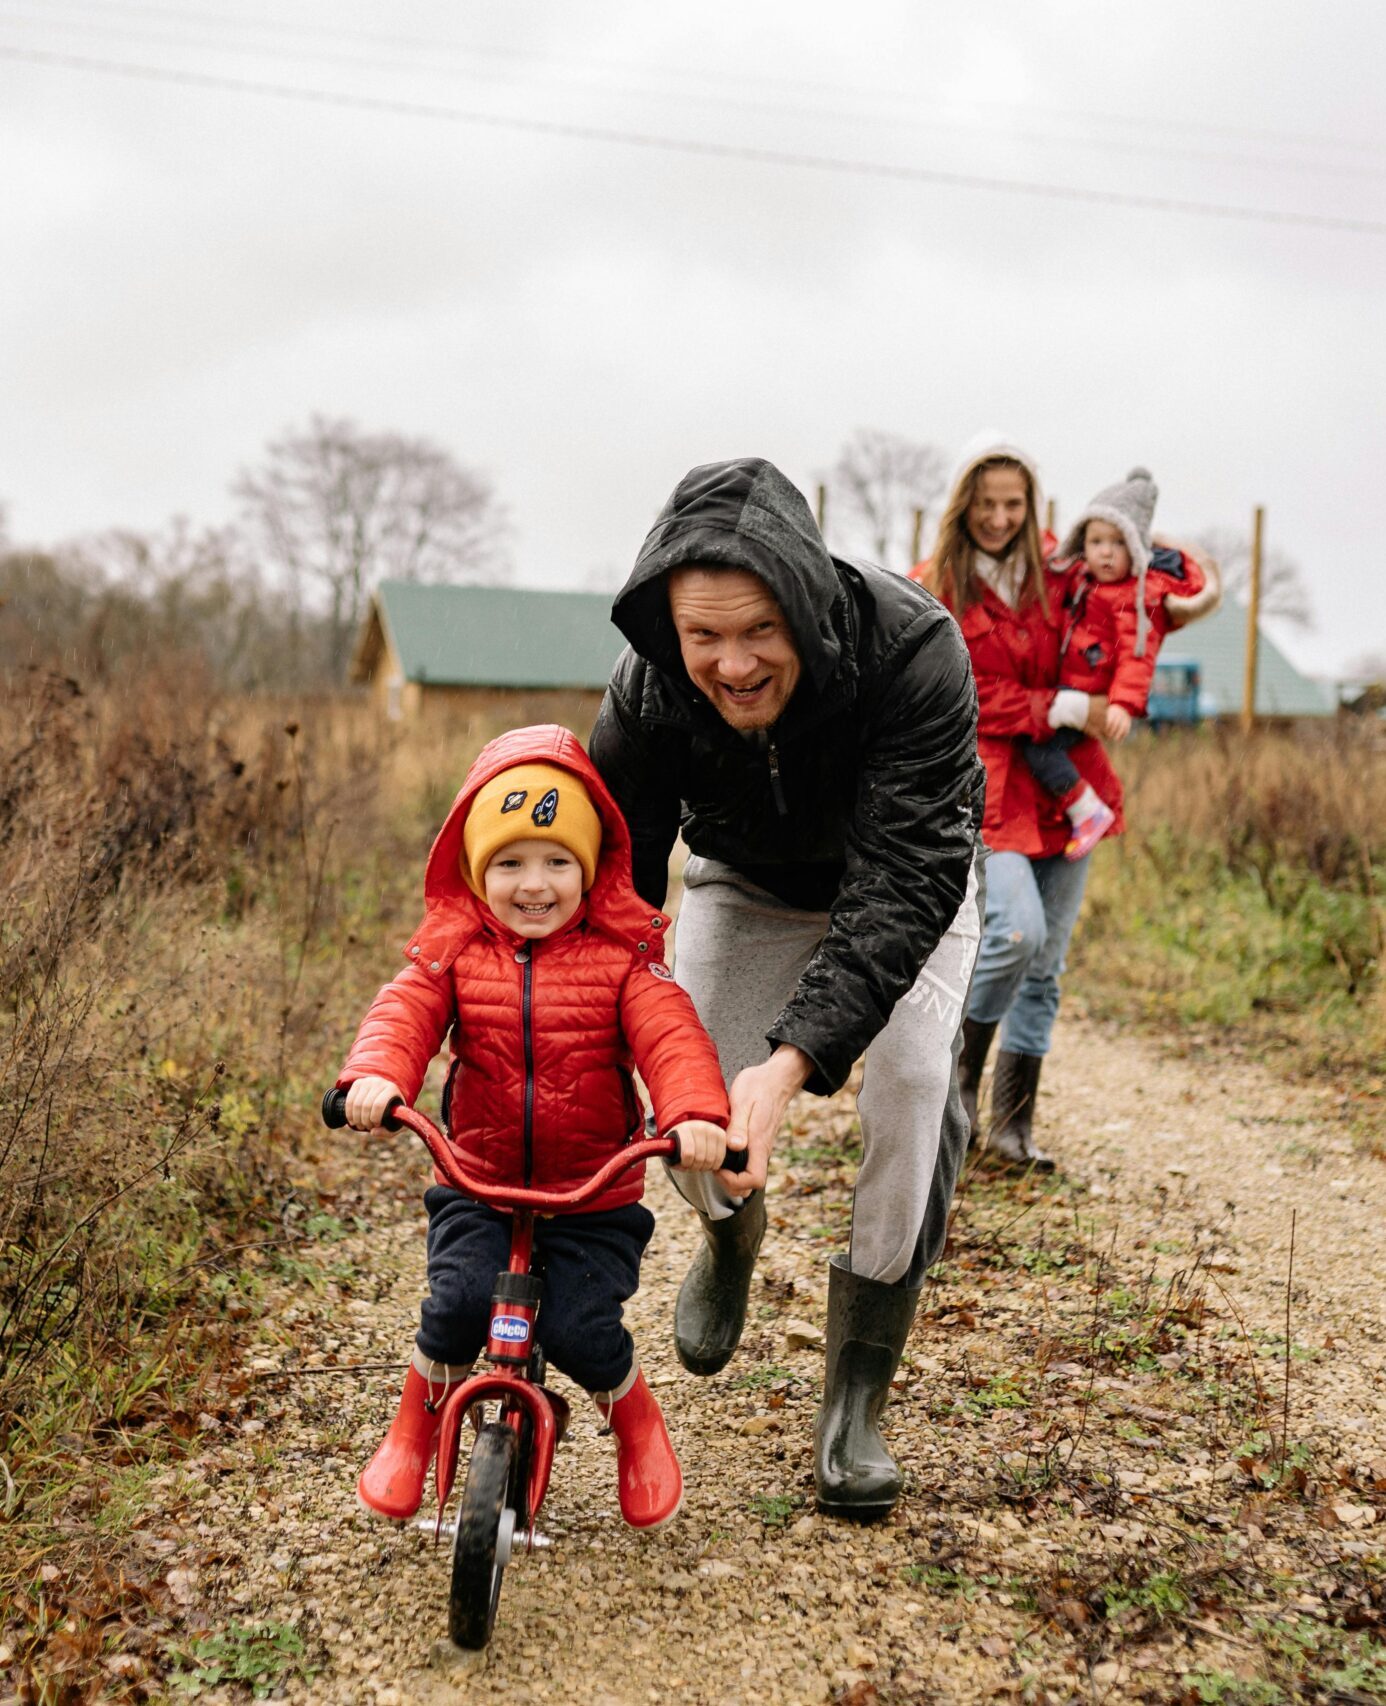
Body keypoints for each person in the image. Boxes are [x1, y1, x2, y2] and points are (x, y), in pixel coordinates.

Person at [589, 456, 985, 1520]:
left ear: (804, 603)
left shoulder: (914, 652)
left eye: (759, 630)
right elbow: (615, 879)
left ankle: (857, 1393)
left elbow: (905, 882)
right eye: (703, 635)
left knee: (908, 1079)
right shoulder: (650, 685)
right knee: (688, 1087)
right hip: (746, 882)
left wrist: (793, 1058)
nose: (732, 663)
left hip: (905, 885)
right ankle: (728, 1235)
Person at [335, 725, 730, 1531]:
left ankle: (635, 1424)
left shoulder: (623, 959)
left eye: (557, 861)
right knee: (455, 1305)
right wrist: (374, 1078)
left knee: (582, 1329)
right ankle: (413, 1428)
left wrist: (692, 1116)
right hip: (478, 1180)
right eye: (509, 863)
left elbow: (671, 1035)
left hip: (592, 1193)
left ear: (590, 868)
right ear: (478, 874)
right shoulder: (455, 956)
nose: (534, 883)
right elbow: (404, 1013)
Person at [911, 435, 1216, 1170]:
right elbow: (966, 695)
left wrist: (1150, 536)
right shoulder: (935, 583)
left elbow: (1169, 586)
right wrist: (1060, 706)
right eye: (986, 503)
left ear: (1031, 506)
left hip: (1072, 785)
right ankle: (955, 1090)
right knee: (1014, 933)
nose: (999, 516)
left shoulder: (1062, 566)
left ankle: (1012, 1126)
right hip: (989, 786)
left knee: (1046, 963)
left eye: (1013, 503)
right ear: (965, 505)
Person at [1018, 466, 1206, 861]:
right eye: (1096, 540)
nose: (1105, 551)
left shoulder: (1135, 599)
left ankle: (1086, 810)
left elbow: (1138, 654)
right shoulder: (1086, 583)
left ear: (1136, 549)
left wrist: (1122, 703)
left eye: (1117, 543)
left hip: (1090, 694)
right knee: (1040, 744)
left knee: (1039, 747)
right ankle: (1080, 806)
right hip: (1069, 687)